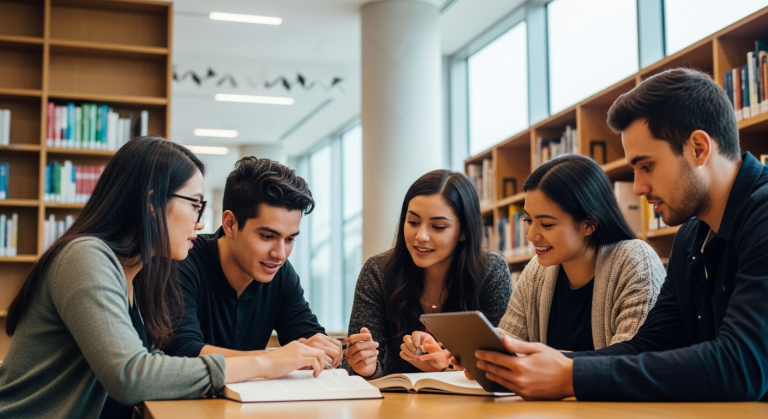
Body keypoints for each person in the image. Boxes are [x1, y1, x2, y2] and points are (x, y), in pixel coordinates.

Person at [467, 68, 768, 401]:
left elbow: (743, 365)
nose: (638, 187)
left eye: (646, 166)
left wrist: (571, 375)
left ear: (698, 148)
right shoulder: (690, 238)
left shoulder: (762, 216)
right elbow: (648, 345)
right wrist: (548, 363)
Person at [0, 138, 328, 419]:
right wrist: (266, 362)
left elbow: (157, 364)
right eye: (195, 205)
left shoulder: (136, 272)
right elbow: (131, 376)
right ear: (153, 203)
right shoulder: (86, 257)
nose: (201, 224)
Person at [164, 157, 342, 367]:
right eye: (267, 236)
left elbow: (309, 337)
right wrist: (274, 358)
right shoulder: (183, 260)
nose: (280, 254)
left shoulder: (280, 272)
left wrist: (327, 349)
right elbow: (181, 352)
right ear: (230, 224)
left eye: (290, 239)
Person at [342, 169, 512, 379]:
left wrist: (447, 366)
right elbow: (354, 365)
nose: (421, 236)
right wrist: (365, 368)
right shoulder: (378, 271)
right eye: (413, 222)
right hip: (397, 405)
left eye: (438, 227)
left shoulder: (491, 270)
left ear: (464, 231)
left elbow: (501, 366)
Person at [498, 154, 665, 351]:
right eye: (527, 221)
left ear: (588, 225)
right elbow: (510, 341)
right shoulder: (536, 271)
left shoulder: (635, 262)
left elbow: (629, 363)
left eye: (547, 224)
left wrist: (549, 362)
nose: (531, 235)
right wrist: (482, 352)